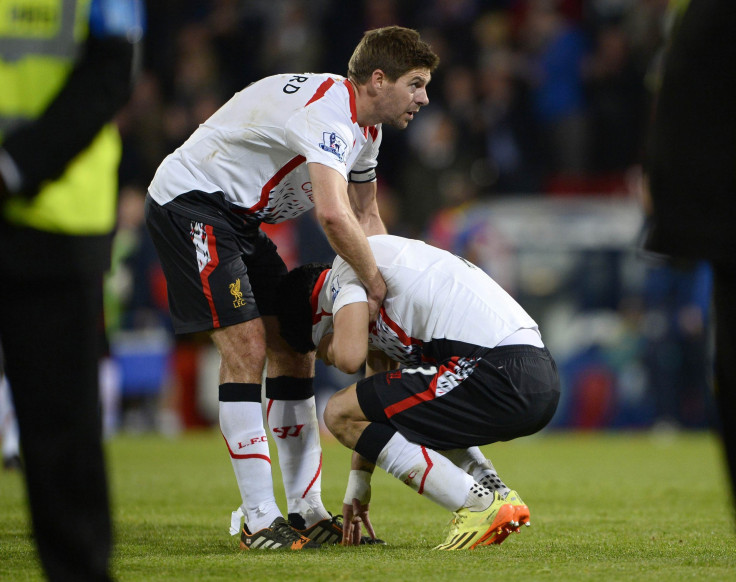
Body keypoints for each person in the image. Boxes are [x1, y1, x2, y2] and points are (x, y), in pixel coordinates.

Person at [144, 26, 440, 550]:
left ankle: (305, 510)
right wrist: (371, 283)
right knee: (247, 347)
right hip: (191, 203)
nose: (424, 97)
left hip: (240, 219)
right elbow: (332, 213)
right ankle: (259, 517)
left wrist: (393, 288)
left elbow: (368, 215)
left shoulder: (365, 130)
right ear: (378, 79)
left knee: (294, 347)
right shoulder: (328, 113)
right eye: (415, 84)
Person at [274, 234, 560, 550]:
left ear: (317, 316)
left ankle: (476, 504)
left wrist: (338, 330)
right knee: (400, 407)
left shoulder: (345, 271)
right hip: (532, 372)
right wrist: (359, 485)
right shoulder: (374, 284)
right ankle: (496, 493)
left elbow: (348, 357)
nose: (323, 358)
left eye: (317, 349)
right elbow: (375, 403)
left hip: (495, 368)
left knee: (334, 411)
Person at [0, 0, 144, 579]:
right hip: (54, 218)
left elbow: (112, 71)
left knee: (62, 440)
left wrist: (14, 167)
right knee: (63, 435)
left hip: (52, 220)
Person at [644, 0, 736, 517]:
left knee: (700, 345)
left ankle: (687, 416)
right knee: (669, 343)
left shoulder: (701, 27)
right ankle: (671, 416)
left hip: (701, 234)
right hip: (692, 237)